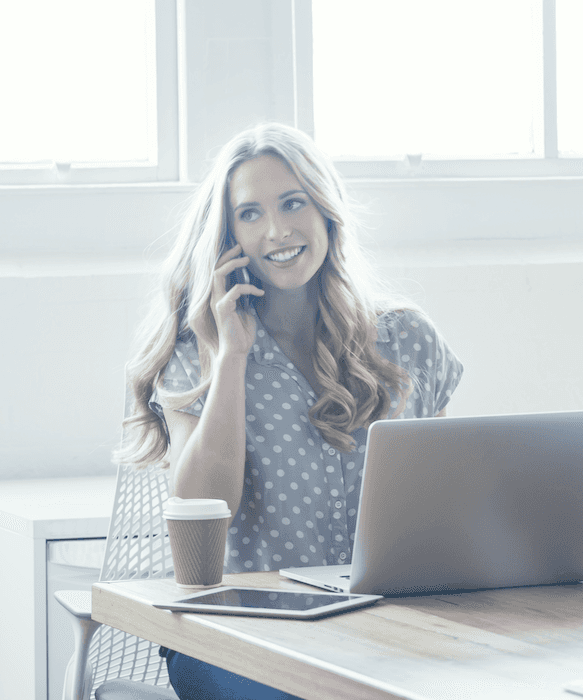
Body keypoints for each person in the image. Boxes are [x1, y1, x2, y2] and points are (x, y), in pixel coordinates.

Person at [114, 123, 464, 700]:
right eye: (249, 214)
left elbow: (446, 508)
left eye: (293, 203)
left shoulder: (406, 340)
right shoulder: (194, 348)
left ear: (326, 212)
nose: (277, 230)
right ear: (227, 235)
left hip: (381, 628)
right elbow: (204, 509)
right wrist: (231, 359)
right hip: (239, 636)